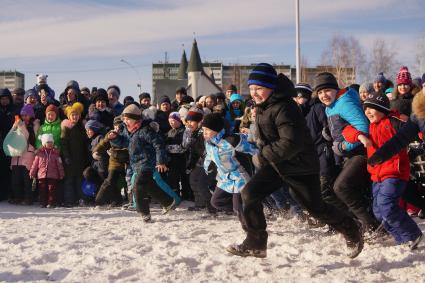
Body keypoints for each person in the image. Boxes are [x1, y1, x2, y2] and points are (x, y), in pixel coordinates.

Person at [227, 63, 363, 259]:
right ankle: (255, 243)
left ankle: (352, 228)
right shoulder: (265, 105)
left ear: (271, 87)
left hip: (300, 165)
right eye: (251, 88)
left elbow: (291, 142)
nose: (254, 93)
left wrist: (263, 155)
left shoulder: (285, 107)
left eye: (259, 88)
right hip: (278, 163)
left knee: (316, 208)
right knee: (250, 193)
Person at [343, 92, 423, 249]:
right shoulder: (368, 125)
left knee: (386, 205)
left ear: (382, 109)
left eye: (372, 108)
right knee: (378, 211)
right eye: (366, 109)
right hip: (376, 175)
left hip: (395, 172)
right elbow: (347, 130)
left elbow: (413, 128)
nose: (368, 112)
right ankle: (401, 238)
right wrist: (360, 136)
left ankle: (412, 235)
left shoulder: (393, 122)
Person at [316, 72, 379, 235]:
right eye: (320, 92)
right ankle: (365, 222)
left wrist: (344, 146)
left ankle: (371, 225)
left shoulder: (344, 102)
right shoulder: (331, 105)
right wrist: (330, 133)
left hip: (362, 152)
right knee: (345, 189)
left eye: (327, 90)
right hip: (350, 154)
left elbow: (363, 128)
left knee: (341, 187)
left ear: (336, 89)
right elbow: (343, 125)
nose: (324, 95)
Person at [107, 104, 178, 222]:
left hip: (147, 163)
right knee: (149, 186)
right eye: (124, 119)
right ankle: (168, 202)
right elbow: (123, 143)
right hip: (136, 164)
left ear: (136, 120)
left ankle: (144, 212)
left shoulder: (145, 130)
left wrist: (161, 161)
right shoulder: (127, 131)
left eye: (128, 119)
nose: (125, 122)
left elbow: (159, 144)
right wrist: (114, 138)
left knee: (138, 185)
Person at [203, 113, 257, 214]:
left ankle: (248, 218)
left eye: (208, 130)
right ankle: (249, 209)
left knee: (238, 208)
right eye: (203, 130)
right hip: (224, 177)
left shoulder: (231, 140)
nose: (204, 133)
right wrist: (207, 166)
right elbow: (209, 156)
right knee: (216, 202)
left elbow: (252, 149)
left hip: (239, 177)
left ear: (216, 130)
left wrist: (262, 156)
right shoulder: (209, 143)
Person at [9, 105, 40, 205]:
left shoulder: (34, 125)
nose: (24, 117)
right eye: (22, 115)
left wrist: (21, 126)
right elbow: (9, 137)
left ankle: (28, 198)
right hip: (16, 155)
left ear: (31, 115)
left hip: (28, 154)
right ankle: (18, 197)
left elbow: (29, 137)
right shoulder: (18, 124)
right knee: (16, 179)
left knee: (27, 179)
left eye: (26, 115)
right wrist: (14, 126)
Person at [61, 102, 90, 207]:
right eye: (73, 115)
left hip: (80, 159)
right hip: (69, 159)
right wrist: (66, 156)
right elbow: (63, 144)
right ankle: (69, 200)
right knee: (69, 181)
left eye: (76, 115)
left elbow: (85, 143)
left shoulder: (81, 128)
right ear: (69, 116)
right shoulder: (66, 128)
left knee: (79, 180)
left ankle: (81, 198)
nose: (75, 117)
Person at [30, 134, 65, 208]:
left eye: (51, 142)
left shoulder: (55, 154)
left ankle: (51, 203)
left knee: (51, 189)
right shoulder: (39, 153)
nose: (50, 144)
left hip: (53, 175)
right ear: (44, 143)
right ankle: (43, 202)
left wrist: (61, 173)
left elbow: (59, 165)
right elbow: (35, 164)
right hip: (42, 175)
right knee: (42, 189)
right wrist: (32, 173)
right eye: (48, 142)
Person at [165, 112, 192, 200]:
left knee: (184, 179)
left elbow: (184, 147)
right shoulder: (169, 131)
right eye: (169, 121)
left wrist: (167, 148)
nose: (171, 122)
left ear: (178, 120)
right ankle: (174, 196)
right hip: (172, 160)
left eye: (173, 120)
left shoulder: (184, 130)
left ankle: (187, 196)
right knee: (173, 179)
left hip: (183, 159)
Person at [0, 88, 15, 200]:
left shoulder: (13, 110)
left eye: (6, 98)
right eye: (2, 99)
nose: (4, 101)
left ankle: (8, 193)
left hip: (10, 144)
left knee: (8, 169)